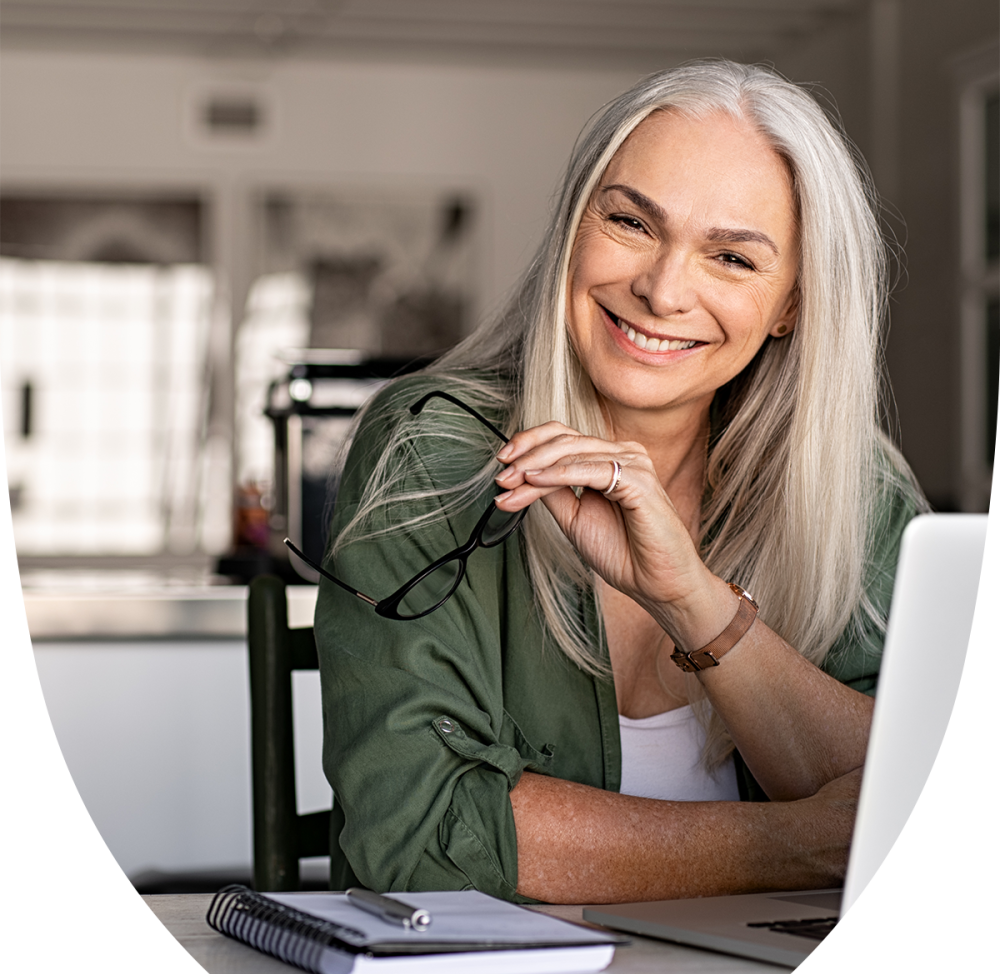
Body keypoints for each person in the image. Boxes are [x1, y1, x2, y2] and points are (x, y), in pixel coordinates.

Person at [307, 60, 926, 904]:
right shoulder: (433, 448)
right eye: (633, 221)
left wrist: (693, 601)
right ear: (574, 225)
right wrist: (794, 843)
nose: (663, 289)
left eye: (733, 258)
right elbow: (418, 836)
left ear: (792, 304)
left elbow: (905, 789)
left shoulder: (855, 490)